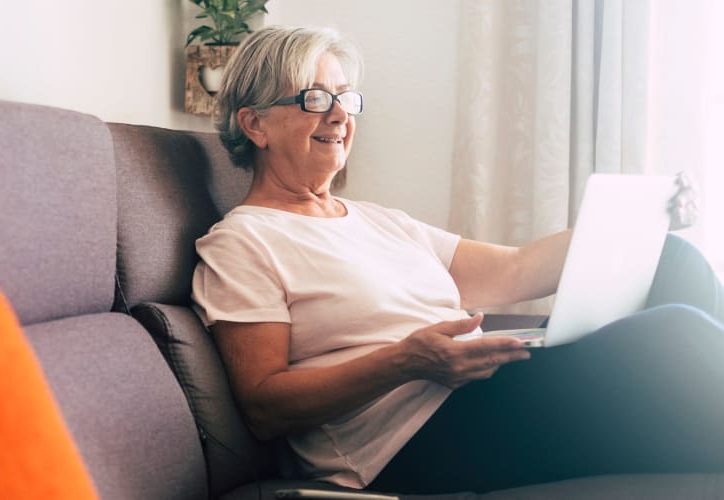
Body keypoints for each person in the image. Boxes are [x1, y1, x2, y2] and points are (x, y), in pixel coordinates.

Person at [190, 25, 724, 494]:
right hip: (415, 439)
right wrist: (404, 361)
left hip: (488, 387)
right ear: (255, 125)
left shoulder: (379, 221)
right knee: (676, 339)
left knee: (670, 259)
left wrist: (642, 223)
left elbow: (515, 269)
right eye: (314, 98)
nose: (338, 115)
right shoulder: (243, 242)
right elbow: (263, 406)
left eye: (346, 99)